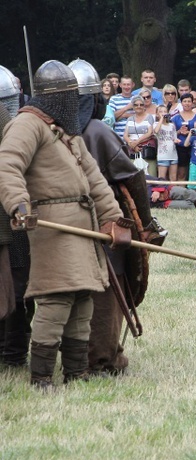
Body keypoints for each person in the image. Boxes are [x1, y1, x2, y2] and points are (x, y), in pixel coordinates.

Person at [0, 60, 132, 388]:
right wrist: (18, 203)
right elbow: (7, 165)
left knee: (83, 300)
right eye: (69, 96)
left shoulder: (65, 131)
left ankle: (76, 374)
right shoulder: (26, 124)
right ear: (56, 97)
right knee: (55, 299)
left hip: (83, 228)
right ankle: (42, 378)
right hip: (53, 227)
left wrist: (113, 219)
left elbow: (94, 180)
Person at [69, 58, 165, 375]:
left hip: (64, 224)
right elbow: (132, 177)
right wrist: (146, 226)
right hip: (104, 221)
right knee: (108, 290)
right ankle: (101, 359)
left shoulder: (49, 130)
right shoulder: (97, 131)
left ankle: (81, 356)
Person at [0, 65, 32, 368]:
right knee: (18, 290)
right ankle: (12, 354)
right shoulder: (12, 129)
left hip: (11, 220)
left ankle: (10, 352)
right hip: (11, 224)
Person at [172, 93, 196, 181]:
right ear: (181, 103)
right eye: (184, 101)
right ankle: (181, 193)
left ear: (193, 102)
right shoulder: (176, 117)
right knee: (181, 173)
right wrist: (180, 131)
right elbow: (171, 134)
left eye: (189, 101)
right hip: (181, 147)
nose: (187, 103)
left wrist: (190, 133)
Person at [124, 95, 156, 174]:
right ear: (133, 106)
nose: (139, 106)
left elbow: (150, 133)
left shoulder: (149, 117)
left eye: (141, 105)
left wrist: (137, 142)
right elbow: (125, 135)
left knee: (150, 175)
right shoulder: (130, 119)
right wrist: (132, 144)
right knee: (134, 177)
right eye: (136, 105)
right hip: (132, 150)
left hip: (146, 150)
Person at [154, 105, 179, 180]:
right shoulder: (156, 124)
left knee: (173, 178)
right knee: (162, 178)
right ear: (157, 114)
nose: (163, 113)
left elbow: (174, 137)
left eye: (165, 111)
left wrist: (176, 140)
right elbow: (156, 131)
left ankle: (173, 191)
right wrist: (161, 119)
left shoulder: (171, 125)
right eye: (161, 112)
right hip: (163, 155)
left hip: (173, 154)